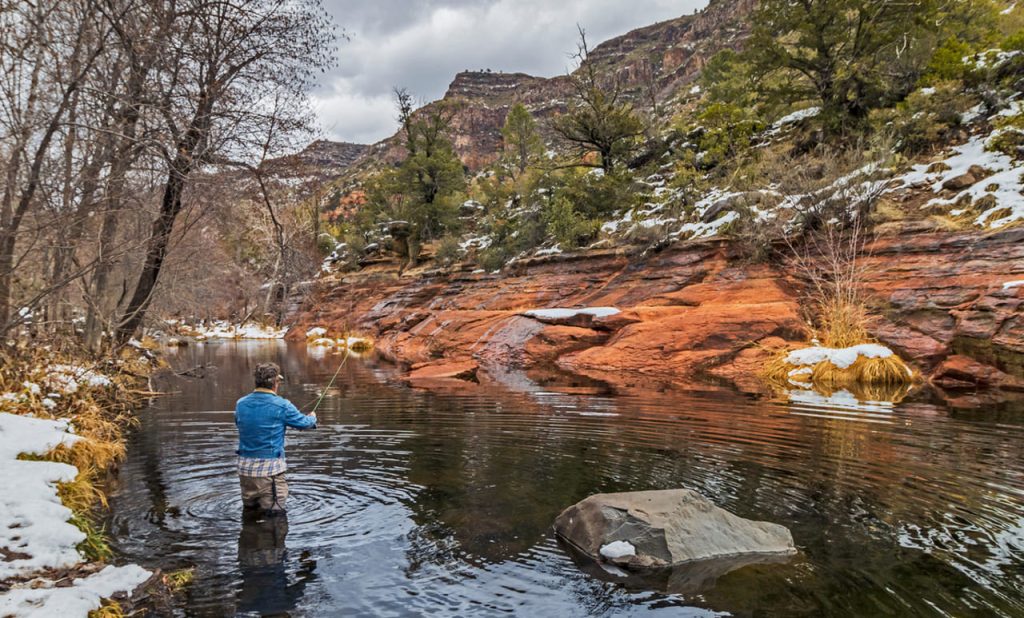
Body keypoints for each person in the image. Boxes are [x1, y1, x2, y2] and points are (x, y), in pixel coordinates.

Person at [235, 362, 317, 515]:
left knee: (250, 513)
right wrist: (312, 418)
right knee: (275, 519)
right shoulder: (283, 405)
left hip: (244, 470)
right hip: (269, 472)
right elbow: (305, 424)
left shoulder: (240, 404)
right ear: (275, 383)